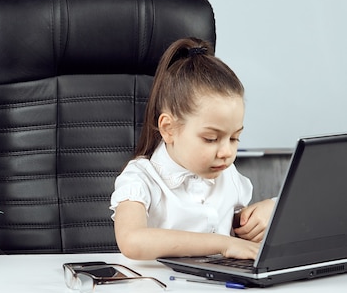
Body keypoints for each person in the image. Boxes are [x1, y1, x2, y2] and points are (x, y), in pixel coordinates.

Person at [110, 37, 276, 261]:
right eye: (210, 139)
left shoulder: (228, 175)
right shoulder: (140, 179)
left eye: (235, 138)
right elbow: (132, 241)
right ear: (168, 129)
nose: (226, 152)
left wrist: (266, 213)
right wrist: (223, 244)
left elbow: (238, 233)